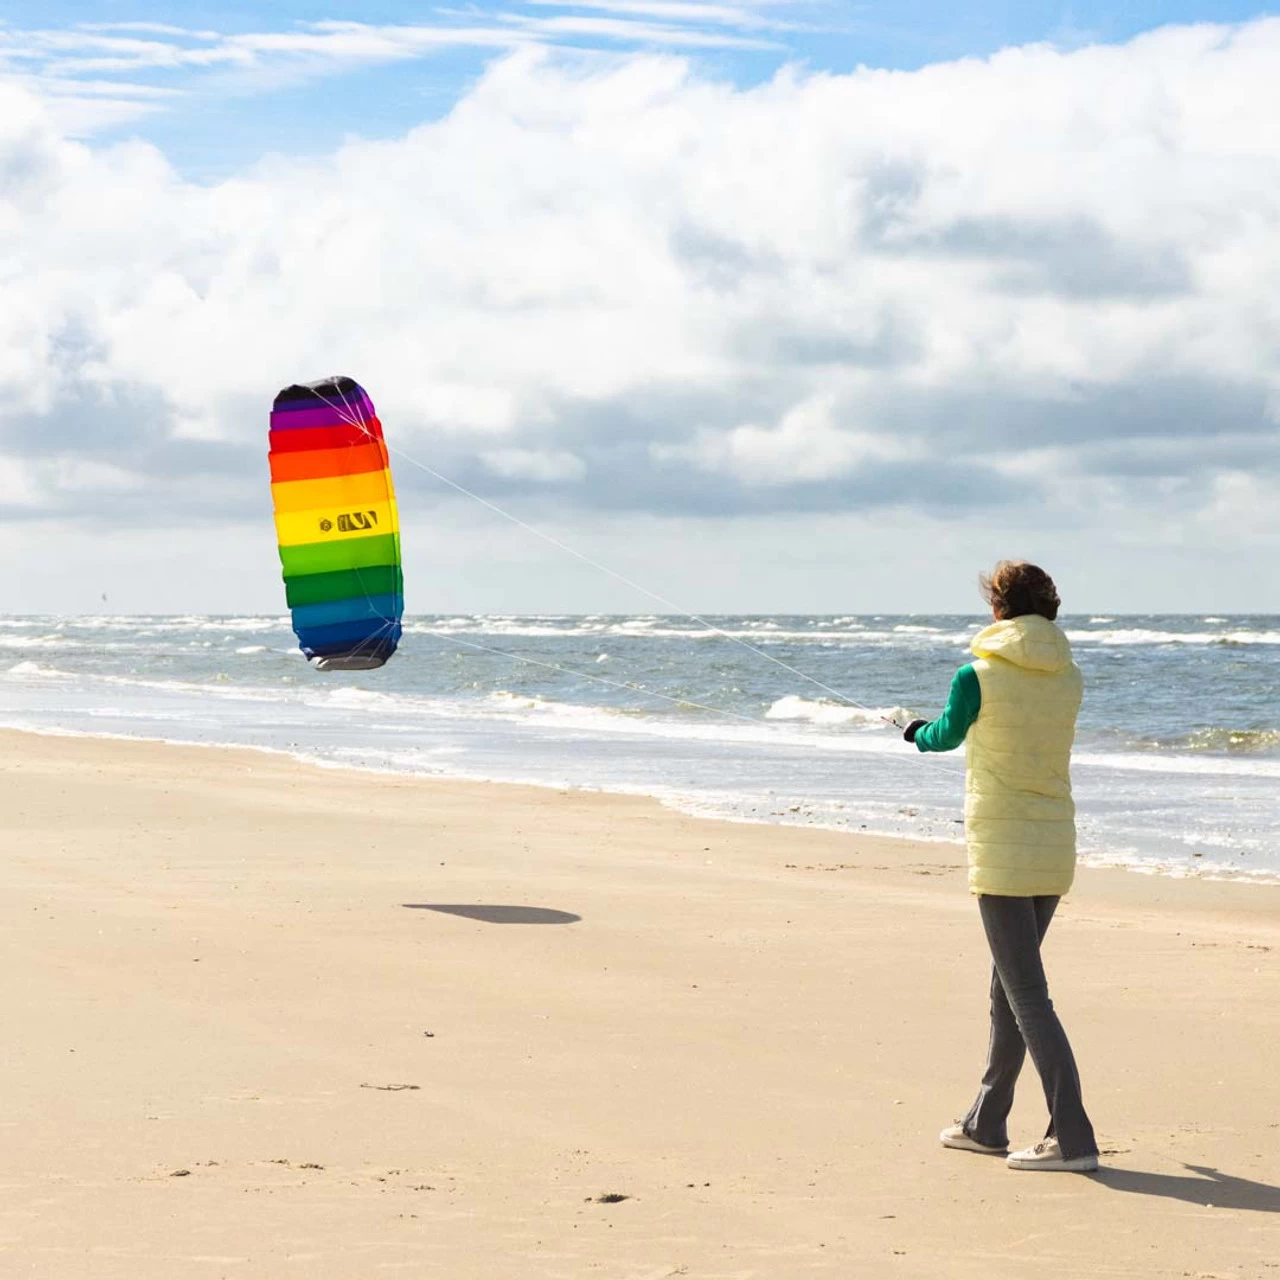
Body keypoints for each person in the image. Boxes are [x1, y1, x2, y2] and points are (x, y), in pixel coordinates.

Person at [902, 560, 1099, 1173]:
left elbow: (944, 736)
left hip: (1005, 849)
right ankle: (986, 1123)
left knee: (1027, 995)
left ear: (998, 609)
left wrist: (910, 730)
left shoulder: (976, 673)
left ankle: (1073, 1136)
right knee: (1008, 988)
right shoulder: (1070, 676)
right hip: (1053, 843)